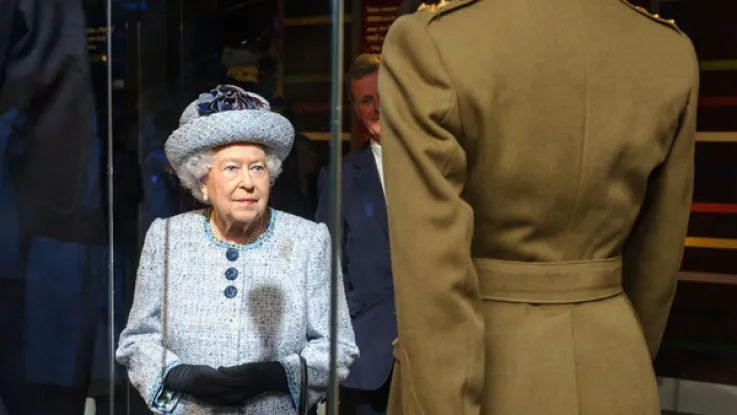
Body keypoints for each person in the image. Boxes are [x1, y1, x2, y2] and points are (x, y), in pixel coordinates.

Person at [379, 0, 698, 414]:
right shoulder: (668, 50)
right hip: (618, 367)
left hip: (491, 376)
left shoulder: (432, 42)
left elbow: (432, 279)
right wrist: (620, 350)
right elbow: (658, 259)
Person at [116, 85, 359, 415]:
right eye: (232, 168)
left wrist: (276, 375)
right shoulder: (168, 238)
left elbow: (338, 347)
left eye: (257, 168)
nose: (248, 182)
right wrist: (178, 375)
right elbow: (137, 340)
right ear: (203, 181)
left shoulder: (308, 241)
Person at [316, 54, 396, 415]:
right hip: (367, 356)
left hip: (437, 349)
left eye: (383, 96)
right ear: (355, 108)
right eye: (366, 100)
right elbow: (327, 266)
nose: (377, 108)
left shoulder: (438, 165)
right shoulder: (339, 176)